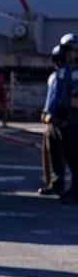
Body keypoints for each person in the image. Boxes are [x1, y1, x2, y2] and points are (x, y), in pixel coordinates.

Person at [47, 34, 78, 204]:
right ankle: (71, 189)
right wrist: (54, 114)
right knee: (68, 155)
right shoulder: (63, 71)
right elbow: (58, 95)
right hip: (65, 118)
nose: (69, 54)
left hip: (74, 120)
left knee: (74, 157)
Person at [39, 44, 67, 196]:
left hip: (66, 120)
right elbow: (52, 97)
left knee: (71, 155)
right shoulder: (54, 77)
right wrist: (46, 112)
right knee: (53, 153)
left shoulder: (71, 76)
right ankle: (57, 183)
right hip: (52, 120)